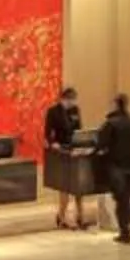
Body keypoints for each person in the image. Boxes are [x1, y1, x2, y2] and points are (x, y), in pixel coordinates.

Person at [96, 93, 130, 245]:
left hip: (116, 167)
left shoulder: (111, 123)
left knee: (121, 200)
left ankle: (124, 232)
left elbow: (100, 145)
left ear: (115, 104)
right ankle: (129, 227)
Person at [42, 87, 86, 229]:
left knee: (79, 186)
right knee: (65, 186)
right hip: (62, 151)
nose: (73, 103)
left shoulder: (75, 111)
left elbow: (79, 129)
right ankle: (61, 217)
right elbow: (47, 133)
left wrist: (82, 142)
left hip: (75, 149)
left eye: (74, 100)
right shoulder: (53, 112)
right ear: (63, 99)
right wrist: (52, 143)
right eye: (70, 100)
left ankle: (81, 216)